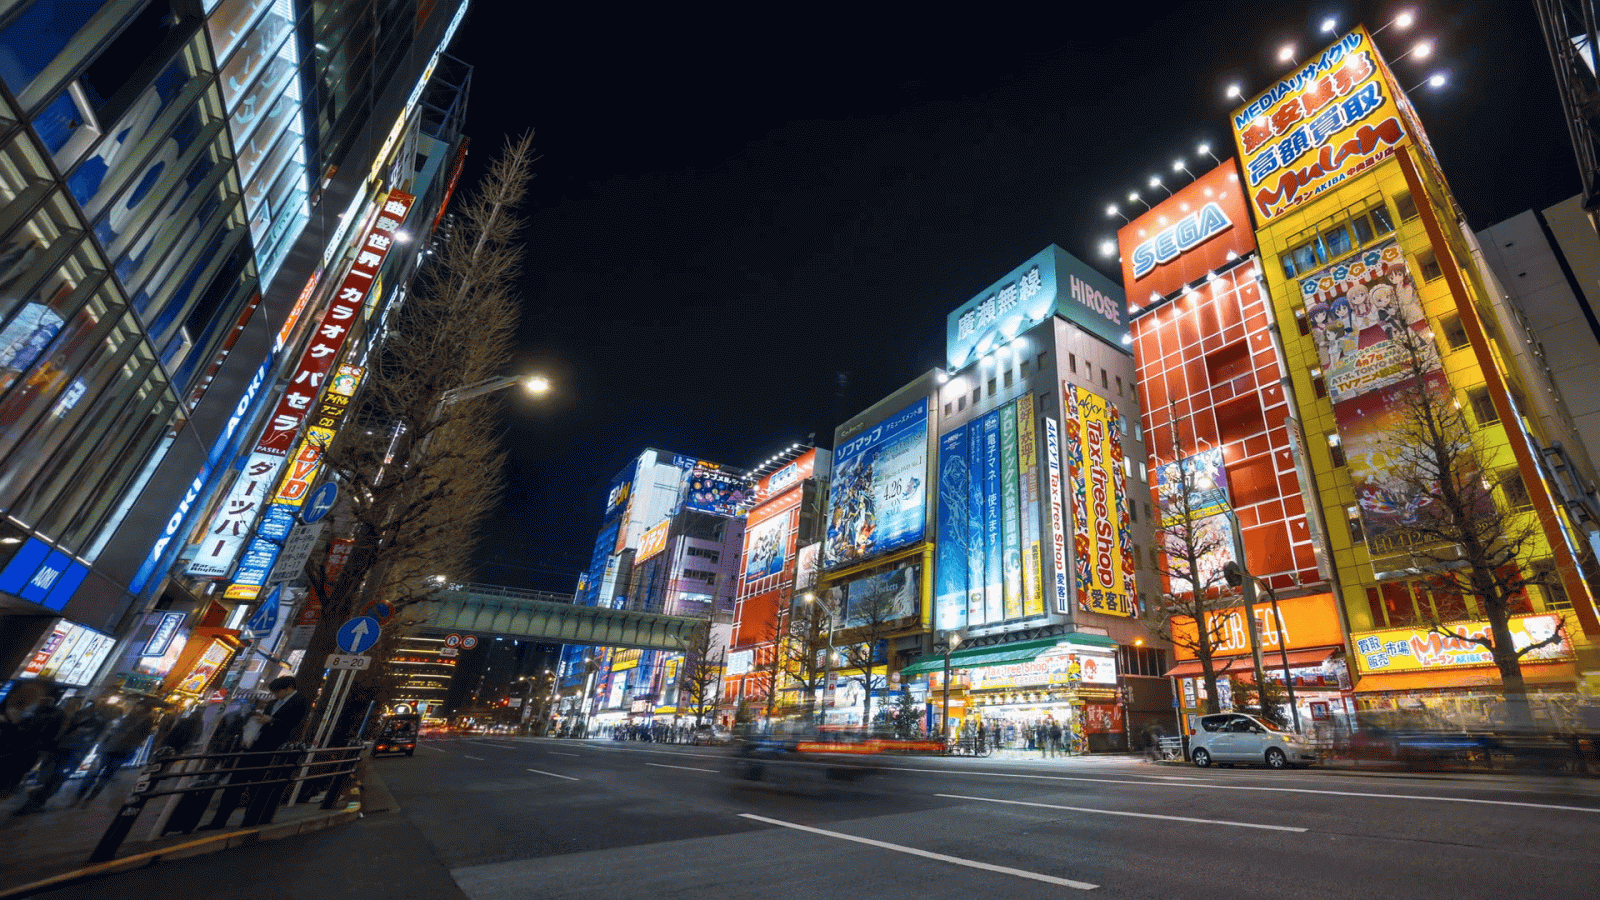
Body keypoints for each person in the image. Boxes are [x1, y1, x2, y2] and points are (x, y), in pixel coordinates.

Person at [203, 676, 309, 830]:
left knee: (259, 787)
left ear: (289, 688)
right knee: (235, 783)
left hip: (274, 751)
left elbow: (296, 726)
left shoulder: (300, 701)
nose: (275, 695)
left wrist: (272, 721)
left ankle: (250, 820)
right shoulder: (272, 703)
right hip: (255, 747)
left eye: (278, 692)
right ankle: (219, 821)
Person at [14, 698, 108, 814]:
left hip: (72, 754)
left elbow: (94, 739)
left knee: (56, 779)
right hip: (57, 749)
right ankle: (35, 801)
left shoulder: (98, 722)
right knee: (45, 776)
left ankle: (35, 803)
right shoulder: (72, 715)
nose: (90, 707)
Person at [77, 701, 156, 805]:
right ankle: (79, 797)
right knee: (93, 773)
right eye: (138, 706)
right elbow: (112, 731)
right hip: (109, 748)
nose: (138, 708)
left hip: (122, 750)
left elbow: (142, 736)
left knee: (104, 775)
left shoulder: (146, 720)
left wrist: (132, 744)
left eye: (141, 707)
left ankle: (89, 798)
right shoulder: (125, 717)